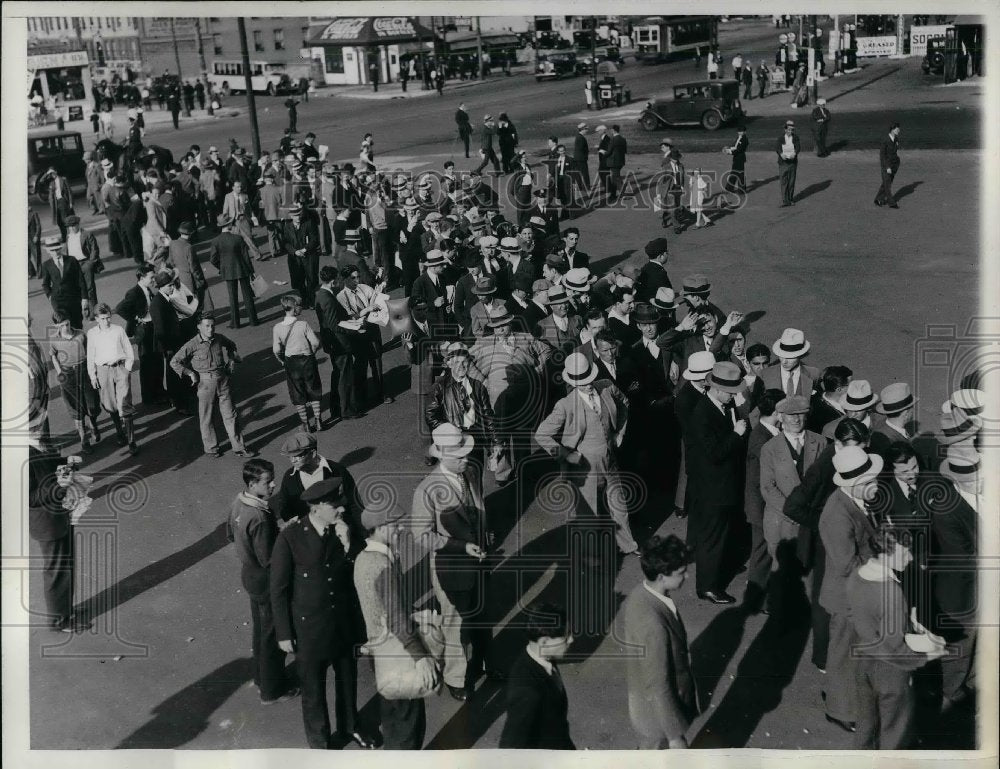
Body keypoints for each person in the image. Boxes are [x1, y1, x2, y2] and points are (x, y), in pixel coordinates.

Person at [270, 478, 375, 750]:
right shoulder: (290, 537)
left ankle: (351, 726)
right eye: (334, 506)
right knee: (313, 691)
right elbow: (279, 589)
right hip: (309, 629)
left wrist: (349, 543)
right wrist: (283, 633)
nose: (341, 510)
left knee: (347, 680)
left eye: (340, 504)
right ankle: (319, 744)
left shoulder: (342, 531)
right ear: (316, 508)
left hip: (342, 622)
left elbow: (358, 570)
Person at [410, 424, 504, 701]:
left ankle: (486, 661)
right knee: (455, 623)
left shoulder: (470, 472)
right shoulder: (426, 491)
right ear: (441, 455)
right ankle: (456, 677)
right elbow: (422, 536)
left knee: (483, 616)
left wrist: (485, 532)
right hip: (450, 569)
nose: (467, 459)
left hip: (480, 561)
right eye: (460, 456)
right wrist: (461, 545)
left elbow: (478, 507)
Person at [354, 494, 441, 750]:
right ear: (380, 528)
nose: (402, 528)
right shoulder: (382, 565)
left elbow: (383, 605)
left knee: (393, 715)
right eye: (396, 524)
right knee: (407, 722)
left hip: (380, 650)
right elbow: (395, 617)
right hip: (397, 652)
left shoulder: (364, 558)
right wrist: (421, 656)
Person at [846, 528, 947, 748]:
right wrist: (928, 655)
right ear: (884, 554)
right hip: (891, 673)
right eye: (904, 553)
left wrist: (906, 621)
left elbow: (861, 615)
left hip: (864, 661)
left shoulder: (857, 574)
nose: (910, 558)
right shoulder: (891, 592)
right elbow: (896, 650)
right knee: (895, 731)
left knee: (866, 723)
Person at [534, 353, 640, 558]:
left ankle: (628, 545)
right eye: (582, 382)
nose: (588, 384)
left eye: (590, 379)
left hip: (610, 460)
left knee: (619, 505)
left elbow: (625, 403)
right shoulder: (565, 405)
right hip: (584, 467)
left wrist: (620, 432)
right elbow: (542, 434)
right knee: (587, 513)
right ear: (573, 382)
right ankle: (589, 555)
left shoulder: (607, 386)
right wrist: (566, 454)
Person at [818, 446, 884, 734]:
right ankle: (839, 710)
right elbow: (848, 565)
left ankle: (844, 698)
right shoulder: (836, 514)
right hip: (846, 597)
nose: (876, 485)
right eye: (871, 481)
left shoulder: (855, 502)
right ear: (854, 485)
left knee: (851, 653)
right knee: (844, 654)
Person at [227, 458, 300, 705]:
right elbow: (269, 558)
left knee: (260, 632)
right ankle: (271, 690)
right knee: (273, 635)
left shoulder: (239, 502)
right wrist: (287, 532)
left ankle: (260, 677)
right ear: (252, 483)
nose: (273, 485)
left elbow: (230, 534)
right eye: (268, 482)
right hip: (266, 581)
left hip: (249, 576)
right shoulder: (258, 515)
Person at [620, 534, 698, 749]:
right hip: (657, 717)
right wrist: (674, 735)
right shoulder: (653, 624)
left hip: (646, 707)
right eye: (681, 572)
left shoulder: (641, 593)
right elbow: (658, 685)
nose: (687, 576)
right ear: (663, 576)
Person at [686, 361, 749, 604]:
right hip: (713, 488)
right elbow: (714, 453)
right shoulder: (702, 414)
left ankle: (718, 569)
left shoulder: (721, 405)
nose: (734, 396)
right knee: (712, 536)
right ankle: (708, 586)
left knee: (721, 533)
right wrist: (737, 433)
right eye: (731, 392)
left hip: (722, 484)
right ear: (719, 389)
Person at [759, 395, 826, 612]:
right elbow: (768, 487)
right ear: (780, 417)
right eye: (790, 416)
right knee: (782, 569)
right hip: (781, 519)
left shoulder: (820, 441)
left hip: (809, 519)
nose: (796, 420)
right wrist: (792, 511)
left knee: (809, 568)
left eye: (800, 415)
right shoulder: (770, 448)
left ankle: (806, 611)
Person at [170, 314, 255, 458]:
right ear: (199, 327)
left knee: (231, 415)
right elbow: (175, 361)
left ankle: (239, 447)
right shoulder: (192, 344)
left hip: (223, 381)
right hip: (205, 384)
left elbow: (231, 345)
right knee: (206, 418)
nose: (210, 329)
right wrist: (190, 373)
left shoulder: (219, 338)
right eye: (207, 326)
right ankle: (211, 448)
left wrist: (231, 361)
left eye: (212, 325)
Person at [498, 602, 576, 749]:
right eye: (566, 637)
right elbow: (511, 748)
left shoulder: (543, 658)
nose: (571, 639)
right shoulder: (527, 692)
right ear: (545, 642)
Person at [87, 303, 138, 454]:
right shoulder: (92, 334)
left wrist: (127, 369)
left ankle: (131, 441)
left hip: (120, 368)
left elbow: (128, 349)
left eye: (108, 317)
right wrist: (93, 376)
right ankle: (119, 432)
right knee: (110, 405)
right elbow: (90, 356)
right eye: (103, 318)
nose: (107, 321)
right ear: (96, 319)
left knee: (125, 404)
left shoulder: (118, 330)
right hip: (103, 370)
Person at [49, 310, 102, 452]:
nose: (65, 328)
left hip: (84, 370)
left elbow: (91, 353)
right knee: (76, 410)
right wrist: (59, 371)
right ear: (56, 327)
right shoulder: (54, 340)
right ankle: (84, 439)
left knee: (92, 405)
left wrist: (94, 371)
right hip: (67, 374)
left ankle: (93, 425)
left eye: (67, 324)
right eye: (62, 326)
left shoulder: (80, 334)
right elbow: (53, 356)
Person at [273, 293, 324, 433]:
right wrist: (311, 352)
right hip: (307, 359)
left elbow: (276, 350)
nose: (301, 308)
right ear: (294, 308)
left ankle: (305, 424)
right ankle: (318, 420)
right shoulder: (303, 324)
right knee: (314, 389)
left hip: (291, 362)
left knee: (297, 392)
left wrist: (282, 361)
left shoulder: (277, 328)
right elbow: (315, 342)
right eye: (299, 305)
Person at [209, 217, 259, 328]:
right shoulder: (238, 238)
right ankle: (253, 320)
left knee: (232, 297)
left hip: (228, 271)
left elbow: (213, 259)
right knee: (248, 296)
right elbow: (246, 257)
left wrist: (221, 267)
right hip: (242, 269)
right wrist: (251, 271)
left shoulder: (216, 241)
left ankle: (236, 323)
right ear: (229, 225)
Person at [39, 235, 89, 330]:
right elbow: (45, 284)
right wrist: (50, 296)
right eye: (52, 250)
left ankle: (80, 343)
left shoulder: (71, 260)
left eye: (57, 249)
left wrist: (84, 298)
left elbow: (80, 280)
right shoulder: (46, 265)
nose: (56, 252)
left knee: (77, 324)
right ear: (48, 251)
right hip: (58, 302)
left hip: (74, 299)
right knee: (64, 326)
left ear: (61, 248)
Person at [170, 221, 214, 313]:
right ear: (190, 234)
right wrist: (201, 280)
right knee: (195, 303)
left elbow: (171, 261)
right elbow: (194, 268)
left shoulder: (173, 243)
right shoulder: (189, 247)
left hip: (178, 277)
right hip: (189, 279)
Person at [63, 216, 103, 314]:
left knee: (90, 288)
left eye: (73, 226)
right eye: (69, 227)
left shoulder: (86, 234)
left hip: (85, 263)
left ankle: (94, 310)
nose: (71, 228)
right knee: (78, 289)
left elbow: (94, 249)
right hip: (73, 265)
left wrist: (90, 263)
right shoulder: (68, 236)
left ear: (78, 224)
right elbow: (67, 251)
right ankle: (85, 311)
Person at [875, 122, 902, 208]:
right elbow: (882, 156)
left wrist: (897, 162)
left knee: (886, 183)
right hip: (886, 166)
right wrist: (887, 167)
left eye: (899, 129)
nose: (899, 130)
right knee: (888, 185)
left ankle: (878, 199)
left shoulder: (896, 139)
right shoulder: (885, 140)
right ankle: (892, 203)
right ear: (892, 130)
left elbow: (895, 151)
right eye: (897, 129)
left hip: (894, 165)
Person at [776, 120, 801, 207]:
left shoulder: (796, 137)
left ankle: (790, 199)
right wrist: (781, 154)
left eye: (792, 130)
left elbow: (798, 147)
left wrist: (795, 153)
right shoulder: (781, 138)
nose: (791, 132)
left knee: (791, 182)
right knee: (783, 181)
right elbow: (778, 148)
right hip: (783, 163)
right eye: (789, 129)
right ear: (785, 129)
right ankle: (785, 200)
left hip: (792, 162)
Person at [722, 126, 749, 200]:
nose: (740, 132)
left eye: (741, 131)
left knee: (740, 174)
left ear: (745, 132)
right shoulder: (739, 138)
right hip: (736, 158)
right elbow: (735, 146)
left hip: (740, 158)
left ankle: (741, 190)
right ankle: (730, 188)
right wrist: (729, 148)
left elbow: (739, 150)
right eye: (739, 131)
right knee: (734, 173)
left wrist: (729, 152)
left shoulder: (745, 139)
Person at [607, 125, 628, 204]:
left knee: (616, 178)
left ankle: (618, 194)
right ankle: (616, 194)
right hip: (621, 161)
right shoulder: (623, 139)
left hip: (614, 162)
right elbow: (625, 151)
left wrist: (603, 154)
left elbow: (609, 152)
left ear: (613, 130)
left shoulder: (613, 140)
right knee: (615, 177)